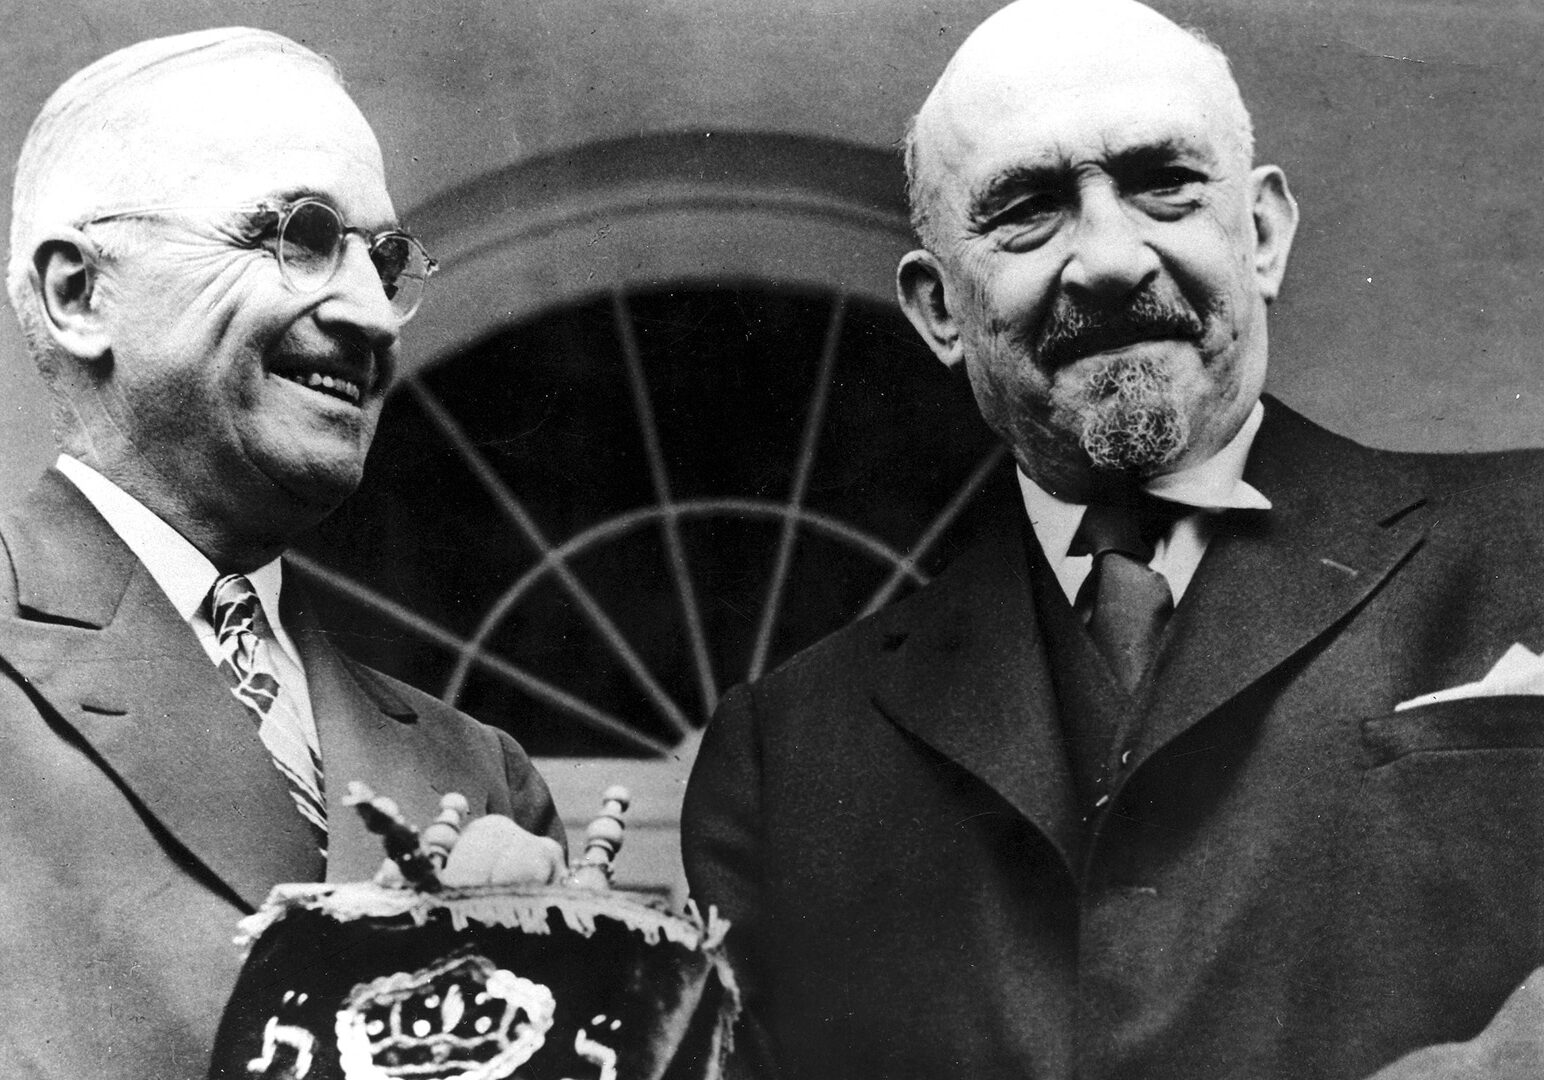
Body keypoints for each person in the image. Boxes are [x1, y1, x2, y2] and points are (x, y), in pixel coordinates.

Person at [681, 2, 1544, 1078]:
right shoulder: (786, 758)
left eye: (1162, 183)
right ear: (937, 307)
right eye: (1026, 209)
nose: (1105, 258)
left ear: (1263, 233)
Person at [0, 28, 562, 1080]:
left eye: (383, 260)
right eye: (296, 236)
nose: (366, 313)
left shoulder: (479, 777)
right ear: (80, 294)